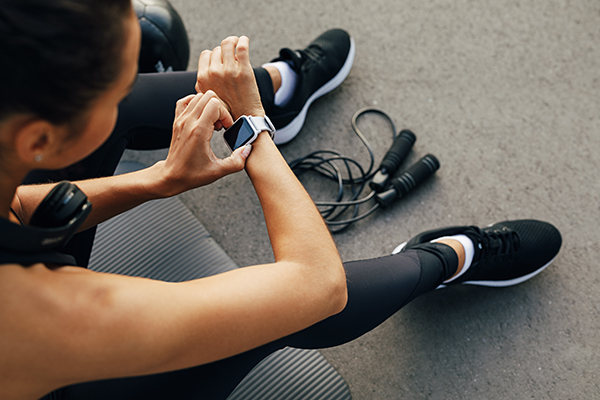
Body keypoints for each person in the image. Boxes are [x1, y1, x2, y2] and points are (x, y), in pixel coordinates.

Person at [0, 1, 562, 399]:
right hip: (51, 371)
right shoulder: (49, 316)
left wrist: (159, 179)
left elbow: (19, 204)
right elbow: (316, 287)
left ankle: (280, 89)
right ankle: (443, 258)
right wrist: (250, 125)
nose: (135, 81)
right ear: (40, 142)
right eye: (123, 79)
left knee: (118, 116)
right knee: (274, 316)